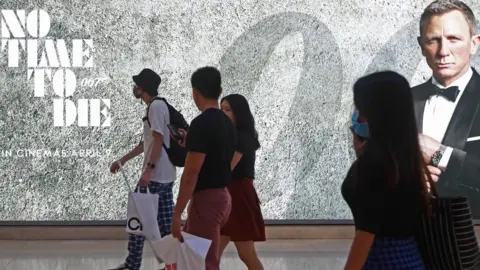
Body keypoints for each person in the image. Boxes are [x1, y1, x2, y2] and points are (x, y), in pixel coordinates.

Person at [342, 71, 429, 269]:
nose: (358, 114)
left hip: (382, 260)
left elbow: (367, 231)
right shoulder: (408, 157)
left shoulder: (375, 163)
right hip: (410, 258)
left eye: (361, 107)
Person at [413, 0, 480, 218]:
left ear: (474, 43)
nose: (443, 51)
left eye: (454, 39)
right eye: (434, 40)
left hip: (472, 237)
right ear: (422, 45)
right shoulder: (400, 102)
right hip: (409, 238)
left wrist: (440, 155)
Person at [109, 68, 176, 270]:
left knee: (138, 221)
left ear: (144, 88)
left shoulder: (155, 107)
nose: (135, 88)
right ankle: (172, 264)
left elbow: (158, 139)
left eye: (138, 84)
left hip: (154, 176)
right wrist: (122, 160)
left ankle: (132, 264)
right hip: (166, 175)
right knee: (165, 224)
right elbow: (144, 144)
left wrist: (148, 170)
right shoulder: (158, 106)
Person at [170, 66, 236, 270]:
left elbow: (191, 173)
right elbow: (215, 154)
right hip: (223, 197)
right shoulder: (227, 122)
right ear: (220, 90)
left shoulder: (200, 123)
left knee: (203, 263)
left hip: (207, 201)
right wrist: (191, 144)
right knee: (190, 255)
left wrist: (176, 213)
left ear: (195, 92)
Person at [218, 94, 265, 270]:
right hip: (228, 194)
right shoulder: (231, 134)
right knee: (213, 252)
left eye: (228, 110)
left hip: (238, 195)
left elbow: (228, 167)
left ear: (239, 113)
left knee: (246, 253)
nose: (224, 113)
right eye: (222, 109)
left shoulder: (243, 137)